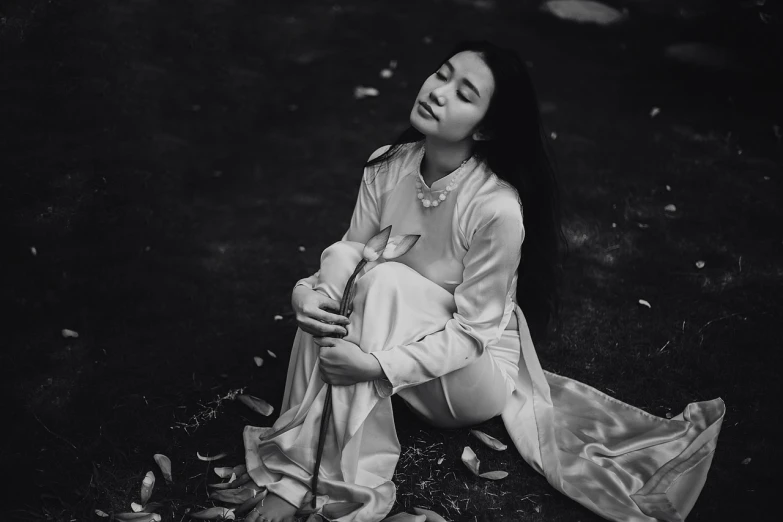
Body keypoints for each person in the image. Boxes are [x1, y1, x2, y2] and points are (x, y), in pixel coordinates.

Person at [242, 41, 726, 522]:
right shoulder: (388, 164)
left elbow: (473, 335)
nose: (438, 91)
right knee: (350, 261)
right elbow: (345, 261)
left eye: (464, 93)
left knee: (384, 279)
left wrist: (375, 367)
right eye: (442, 74)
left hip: (469, 381)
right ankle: (301, 462)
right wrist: (304, 295)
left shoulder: (495, 208)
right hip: (394, 334)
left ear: (488, 126)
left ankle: (315, 478)